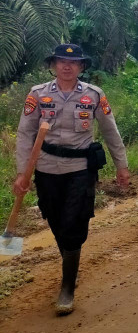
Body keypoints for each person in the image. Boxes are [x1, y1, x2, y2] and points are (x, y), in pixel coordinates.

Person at [14, 44, 129, 316]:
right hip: (46, 168)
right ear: (53, 65)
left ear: (81, 66)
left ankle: (67, 288)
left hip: (80, 168)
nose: (67, 66)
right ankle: (71, 265)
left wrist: (121, 166)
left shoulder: (94, 95)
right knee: (55, 219)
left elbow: (110, 131)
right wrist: (22, 172)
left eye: (74, 62)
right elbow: (24, 133)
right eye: (61, 61)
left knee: (73, 223)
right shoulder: (38, 94)